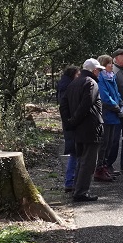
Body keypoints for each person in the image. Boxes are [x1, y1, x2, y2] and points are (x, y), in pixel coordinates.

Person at [65, 58, 104, 202]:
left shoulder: (73, 83)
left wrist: (69, 123)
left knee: (81, 160)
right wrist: (74, 120)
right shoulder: (91, 83)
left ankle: (77, 188)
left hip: (77, 129)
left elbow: (64, 105)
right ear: (94, 70)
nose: (99, 73)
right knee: (88, 162)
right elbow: (86, 105)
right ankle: (81, 192)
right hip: (90, 128)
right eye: (99, 70)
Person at [95, 54, 123, 182]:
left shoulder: (112, 77)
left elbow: (116, 93)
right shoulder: (101, 78)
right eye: (109, 63)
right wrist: (117, 108)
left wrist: (122, 104)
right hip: (107, 114)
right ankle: (99, 169)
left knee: (111, 142)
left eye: (111, 63)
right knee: (104, 143)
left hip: (114, 116)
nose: (111, 65)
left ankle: (105, 167)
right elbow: (105, 97)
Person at [55, 65, 81, 194]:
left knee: (74, 153)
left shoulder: (63, 86)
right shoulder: (68, 88)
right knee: (75, 153)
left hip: (69, 124)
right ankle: (70, 181)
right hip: (71, 124)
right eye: (77, 74)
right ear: (73, 75)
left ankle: (71, 181)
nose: (79, 77)